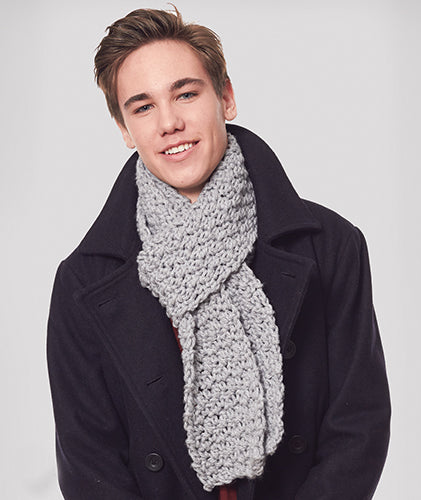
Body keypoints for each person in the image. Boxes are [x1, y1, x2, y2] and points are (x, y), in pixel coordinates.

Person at [47, 7, 391, 500]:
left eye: (186, 94)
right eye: (142, 107)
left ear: (225, 97)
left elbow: (359, 426)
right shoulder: (82, 282)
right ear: (124, 129)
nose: (169, 122)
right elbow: (89, 464)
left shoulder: (332, 246)